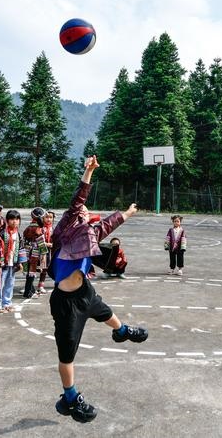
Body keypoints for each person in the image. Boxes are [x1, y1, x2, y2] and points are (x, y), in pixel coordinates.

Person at [49, 155, 147, 423]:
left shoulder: (88, 233)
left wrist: (127, 213)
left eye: (85, 214)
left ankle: (122, 332)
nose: (83, 213)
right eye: (80, 212)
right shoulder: (64, 231)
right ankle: (69, 397)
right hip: (66, 302)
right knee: (67, 354)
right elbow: (78, 200)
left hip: (84, 292)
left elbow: (106, 225)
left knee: (105, 312)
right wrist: (88, 172)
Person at [0, 210, 21, 313]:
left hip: (12, 263)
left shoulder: (17, 233)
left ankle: (7, 303)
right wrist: (0, 262)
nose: (15, 221)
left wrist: (19, 263)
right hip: (3, 263)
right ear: (7, 220)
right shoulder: (2, 233)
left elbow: (20, 248)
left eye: (17, 219)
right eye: (12, 219)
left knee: (10, 284)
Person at [23, 208, 46, 298]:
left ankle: (30, 290)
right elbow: (41, 243)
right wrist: (43, 255)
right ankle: (28, 292)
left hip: (26, 252)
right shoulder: (38, 229)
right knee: (31, 273)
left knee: (29, 273)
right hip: (34, 253)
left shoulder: (28, 228)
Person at [37, 211, 55, 294]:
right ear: (43, 218)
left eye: (51, 217)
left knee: (47, 268)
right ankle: (29, 286)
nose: (49, 219)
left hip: (50, 252)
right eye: (47, 217)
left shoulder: (53, 229)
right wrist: (47, 244)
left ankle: (41, 285)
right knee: (38, 268)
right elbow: (38, 240)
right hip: (41, 251)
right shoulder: (40, 229)